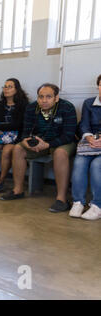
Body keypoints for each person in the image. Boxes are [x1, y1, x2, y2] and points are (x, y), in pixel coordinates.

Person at [0, 83, 77, 213]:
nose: (44, 100)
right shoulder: (31, 108)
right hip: (39, 141)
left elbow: (68, 136)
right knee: (18, 149)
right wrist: (25, 141)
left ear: (56, 98)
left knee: (60, 153)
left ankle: (61, 199)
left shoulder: (67, 108)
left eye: (48, 97)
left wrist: (48, 145)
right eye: (41, 97)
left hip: (61, 142)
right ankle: (18, 190)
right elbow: (25, 131)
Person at [0, 78, 29, 194]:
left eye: (10, 86)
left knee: (7, 151)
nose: (6, 89)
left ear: (17, 89)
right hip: (0, 136)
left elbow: (19, 125)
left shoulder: (23, 105)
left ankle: (1, 180)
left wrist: (0, 128)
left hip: (16, 137)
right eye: (4, 86)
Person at [69, 74, 101, 220]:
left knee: (96, 165)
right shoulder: (88, 103)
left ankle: (97, 205)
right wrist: (88, 137)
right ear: (98, 86)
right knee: (79, 162)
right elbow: (84, 124)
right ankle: (78, 202)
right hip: (90, 142)